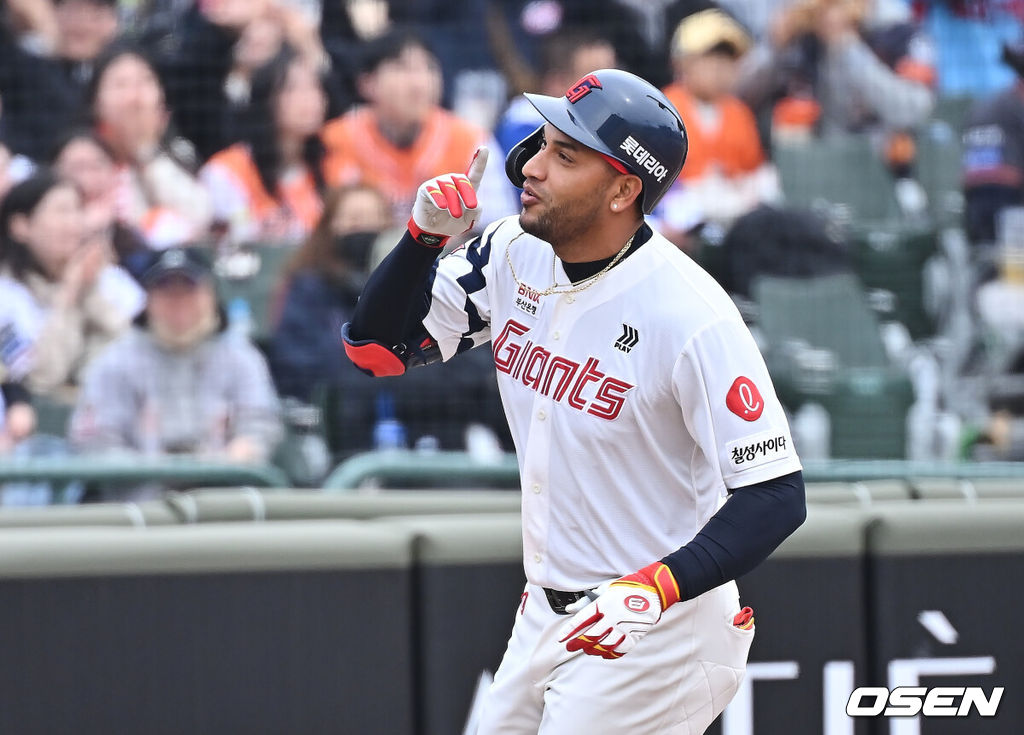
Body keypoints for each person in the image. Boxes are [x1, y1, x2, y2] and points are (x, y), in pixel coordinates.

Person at [342, 68, 806, 732]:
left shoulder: (692, 314)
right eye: (541, 143)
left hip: (660, 628)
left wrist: (657, 586)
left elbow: (776, 493)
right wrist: (420, 242)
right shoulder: (511, 251)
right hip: (545, 610)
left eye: (565, 155)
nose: (531, 166)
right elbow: (375, 349)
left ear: (623, 188)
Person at [69, 246, 283, 473]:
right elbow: (95, 444)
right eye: (166, 290)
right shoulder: (115, 362)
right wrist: (154, 469)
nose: (179, 302)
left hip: (222, 495)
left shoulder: (240, 357)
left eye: (189, 289)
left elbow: (261, 427)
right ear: (148, 300)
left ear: (211, 295)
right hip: (139, 498)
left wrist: (234, 457)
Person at [321, 28, 517, 228]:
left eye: (428, 68)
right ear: (367, 83)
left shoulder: (470, 139)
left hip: (447, 256)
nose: (419, 82)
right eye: (402, 68)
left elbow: (499, 224)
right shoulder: (337, 138)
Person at [0, 170, 143, 395]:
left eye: (78, 210)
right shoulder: (5, 294)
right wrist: (69, 294)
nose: (73, 223)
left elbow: (144, 349)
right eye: (61, 211)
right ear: (21, 226)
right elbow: (41, 380)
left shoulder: (108, 277)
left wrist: (91, 293)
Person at [657, 9, 781, 246]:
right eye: (710, 58)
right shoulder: (662, 109)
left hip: (736, 221)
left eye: (727, 60)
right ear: (682, 62)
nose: (720, 68)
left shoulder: (739, 112)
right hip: (682, 224)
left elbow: (755, 174)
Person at [86, 43, 213, 248]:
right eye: (120, 84)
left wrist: (146, 151)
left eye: (145, 82)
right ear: (96, 103)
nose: (135, 98)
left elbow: (199, 215)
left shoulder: (180, 151)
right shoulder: (82, 155)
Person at [200, 48, 330, 247]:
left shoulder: (332, 160)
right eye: (292, 88)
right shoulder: (226, 171)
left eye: (315, 86)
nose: (310, 98)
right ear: (266, 100)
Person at [0, 0, 121, 161]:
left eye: (95, 15)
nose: (82, 25)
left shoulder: (123, 69)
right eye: (72, 12)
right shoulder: (25, 66)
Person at [49, 129, 149, 272]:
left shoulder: (131, 235)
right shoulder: (41, 236)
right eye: (77, 168)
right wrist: (83, 229)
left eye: (97, 167)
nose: (87, 180)